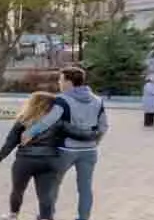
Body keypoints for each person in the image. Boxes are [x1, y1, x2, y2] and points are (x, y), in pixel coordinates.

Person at [0, 89, 68, 220]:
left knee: (18, 190)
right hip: (49, 161)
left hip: (25, 161)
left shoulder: (23, 120)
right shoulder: (57, 122)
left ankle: (13, 215)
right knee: (46, 193)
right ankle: (45, 217)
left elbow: (11, 142)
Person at [55, 65, 109, 220]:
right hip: (89, 151)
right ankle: (83, 217)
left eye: (61, 79)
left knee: (51, 184)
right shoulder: (98, 101)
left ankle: (47, 214)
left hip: (65, 149)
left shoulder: (61, 100)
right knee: (85, 187)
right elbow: (103, 126)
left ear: (69, 82)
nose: (59, 83)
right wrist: (95, 142)